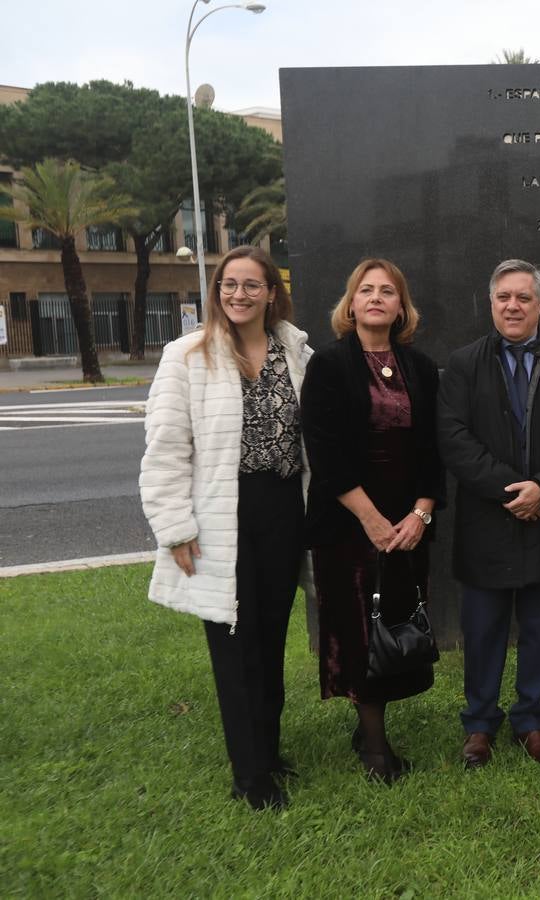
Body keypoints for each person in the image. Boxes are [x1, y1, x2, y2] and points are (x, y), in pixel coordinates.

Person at [140, 246, 311, 810]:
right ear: (217, 292)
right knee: (235, 643)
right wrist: (174, 527)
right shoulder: (187, 355)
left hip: (283, 511)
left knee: (271, 636)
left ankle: (269, 750)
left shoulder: (294, 351)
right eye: (229, 284)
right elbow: (166, 448)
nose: (239, 294)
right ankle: (250, 775)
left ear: (271, 292)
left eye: (251, 285)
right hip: (222, 515)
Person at [437, 259, 540, 768]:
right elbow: (454, 438)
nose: (513, 306)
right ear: (491, 303)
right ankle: (479, 724)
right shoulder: (463, 365)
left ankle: (530, 720)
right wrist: (513, 491)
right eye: (504, 297)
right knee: (483, 631)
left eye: (523, 298)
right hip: (487, 522)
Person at [301, 258, 444, 784]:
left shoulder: (420, 367)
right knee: (359, 630)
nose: (377, 298)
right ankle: (377, 750)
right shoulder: (329, 366)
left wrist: (421, 513)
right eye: (366, 290)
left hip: (408, 522)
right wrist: (372, 521)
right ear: (352, 303)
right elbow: (325, 451)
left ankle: (369, 731)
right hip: (349, 524)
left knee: (395, 623)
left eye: (387, 291)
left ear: (401, 306)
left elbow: (435, 448)